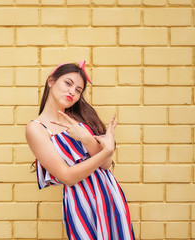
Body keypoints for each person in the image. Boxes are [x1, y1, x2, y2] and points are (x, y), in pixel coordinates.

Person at [25, 61, 135, 240]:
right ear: (51, 81)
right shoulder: (36, 128)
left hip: (109, 194)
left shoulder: (81, 119)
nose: (72, 92)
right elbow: (67, 177)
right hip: (81, 201)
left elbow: (106, 165)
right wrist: (106, 151)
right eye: (68, 83)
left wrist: (86, 138)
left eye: (78, 90)